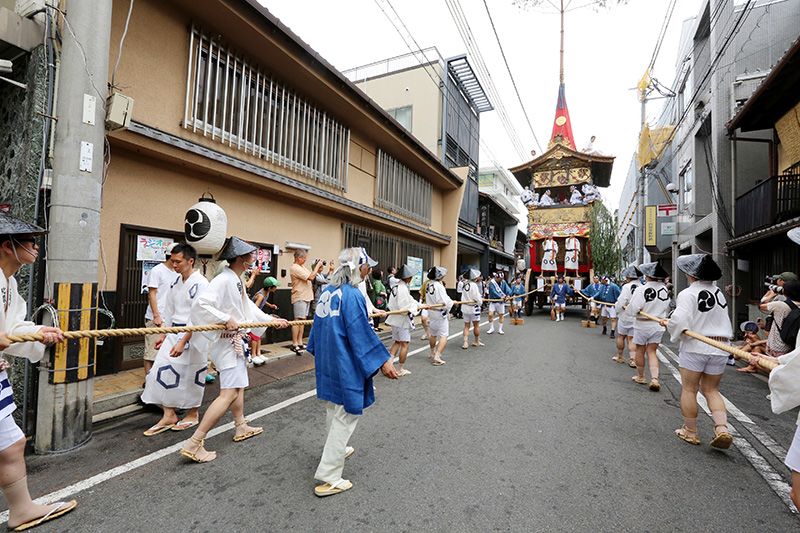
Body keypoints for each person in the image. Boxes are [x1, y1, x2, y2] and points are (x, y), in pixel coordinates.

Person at [180, 237, 289, 463]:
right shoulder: (224, 279)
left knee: (238, 388)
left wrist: (271, 320)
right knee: (228, 393)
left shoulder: (235, 279)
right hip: (227, 342)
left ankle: (241, 426)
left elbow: (247, 307)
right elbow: (201, 305)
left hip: (234, 341)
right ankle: (194, 442)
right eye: (250, 256)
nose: (253, 259)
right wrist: (225, 318)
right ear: (240, 258)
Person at [0, 213, 77, 530]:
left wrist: (37, 332)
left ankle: (21, 509)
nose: (35, 247)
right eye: (30, 242)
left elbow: (11, 328)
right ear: (7, 246)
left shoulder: (9, 282)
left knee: (11, 443)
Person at [306, 247, 399, 497]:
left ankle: (336, 448)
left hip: (328, 357)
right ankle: (330, 475)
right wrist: (383, 361)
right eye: (367, 266)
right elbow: (360, 332)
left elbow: (316, 330)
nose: (369, 271)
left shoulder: (328, 291)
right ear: (359, 267)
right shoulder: (352, 294)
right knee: (346, 413)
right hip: (344, 359)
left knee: (333, 407)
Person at [660, 254, 733, 449]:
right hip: (720, 346)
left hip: (696, 345)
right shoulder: (718, 293)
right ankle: (722, 428)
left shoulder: (688, 293)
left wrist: (669, 324)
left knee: (689, 389)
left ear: (692, 274)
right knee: (712, 390)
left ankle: (690, 431)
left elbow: (680, 321)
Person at [141, 244, 210, 435]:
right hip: (174, 332)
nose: (174, 265)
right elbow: (169, 309)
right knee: (160, 371)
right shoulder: (175, 281)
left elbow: (198, 315)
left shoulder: (201, 283)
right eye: (172, 261)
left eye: (178, 261)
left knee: (192, 374)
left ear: (190, 261)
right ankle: (169, 414)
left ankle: (193, 413)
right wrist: (164, 335)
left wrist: (183, 340)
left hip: (194, 334)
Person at [625, 262, 670, 392]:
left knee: (640, 350)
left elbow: (633, 308)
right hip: (657, 324)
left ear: (648, 276)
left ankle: (641, 376)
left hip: (642, 324)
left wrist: (629, 311)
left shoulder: (641, 289)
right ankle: (655, 379)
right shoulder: (664, 289)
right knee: (652, 351)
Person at [143, 242, 179, 376]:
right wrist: (156, 315)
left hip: (171, 318)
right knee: (152, 352)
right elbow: (151, 294)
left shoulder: (178, 273)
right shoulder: (157, 270)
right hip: (157, 317)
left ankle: (159, 381)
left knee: (167, 351)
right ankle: (148, 380)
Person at [385, 265, 419, 377]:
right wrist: (414, 307)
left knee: (397, 342)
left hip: (394, 319)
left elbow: (409, 301)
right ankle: (400, 369)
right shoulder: (403, 288)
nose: (412, 278)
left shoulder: (396, 286)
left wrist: (418, 305)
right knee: (405, 344)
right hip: (401, 320)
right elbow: (404, 306)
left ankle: (389, 364)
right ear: (407, 277)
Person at [290, 249, 324, 354]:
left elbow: (313, 275)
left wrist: (317, 267)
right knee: (297, 320)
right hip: (299, 295)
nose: (305, 260)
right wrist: (317, 266)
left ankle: (300, 341)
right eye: (304, 258)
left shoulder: (302, 267)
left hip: (307, 296)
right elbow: (311, 277)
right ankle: (294, 343)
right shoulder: (295, 267)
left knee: (303, 320)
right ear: (298, 258)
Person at [613, 266, 642, 366]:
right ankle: (633, 359)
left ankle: (620, 356)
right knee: (631, 338)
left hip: (625, 315)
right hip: (636, 316)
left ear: (628, 277)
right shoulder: (642, 286)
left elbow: (622, 301)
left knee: (621, 336)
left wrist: (617, 309)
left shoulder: (626, 286)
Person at [425, 267, 453, 366]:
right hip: (440, 313)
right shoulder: (439, 286)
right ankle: (437, 356)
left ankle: (432, 352)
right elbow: (444, 301)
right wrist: (451, 303)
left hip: (432, 312)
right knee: (444, 335)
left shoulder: (429, 284)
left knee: (433, 334)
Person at [250, 277, 281, 365]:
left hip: (258, 316)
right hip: (254, 317)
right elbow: (255, 308)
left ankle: (258, 353)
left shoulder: (266, 292)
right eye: (275, 287)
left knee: (259, 335)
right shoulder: (260, 295)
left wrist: (270, 305)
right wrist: (263, 316)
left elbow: (264, 301)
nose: (276, 288)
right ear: (270, 287)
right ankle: (253, 355)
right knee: (255, 336)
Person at [461, 269, 484, 350]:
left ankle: (465, 342)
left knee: (466, 326)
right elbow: (477, 297)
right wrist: (480, 302)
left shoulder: (464, 284)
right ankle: (476, 341)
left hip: (465, 307)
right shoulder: (474, 285)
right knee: (476, 325)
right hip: (473, 308)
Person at [418, 275, 432, 341]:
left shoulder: (438, 283)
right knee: (423, 319)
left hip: (435, 305)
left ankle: (432, 334)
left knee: (433, 320)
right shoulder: (425, 283)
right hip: (426, 303)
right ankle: (427, 332)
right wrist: (420, 303)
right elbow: (421, 293)